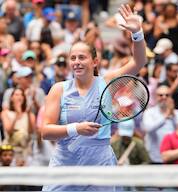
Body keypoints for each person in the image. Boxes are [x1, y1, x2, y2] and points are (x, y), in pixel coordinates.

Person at [41, 4, 146, 191]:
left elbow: (138, 62)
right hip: (65, 163)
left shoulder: (107, 82)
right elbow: (45, 131)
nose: (76, 62)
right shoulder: (59, 89)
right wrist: (76, 129)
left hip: (100, 163)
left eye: (82, 57)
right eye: (73, 58)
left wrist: (136, 33)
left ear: (95, 61)